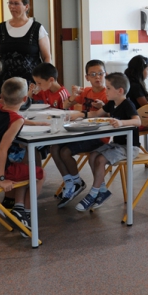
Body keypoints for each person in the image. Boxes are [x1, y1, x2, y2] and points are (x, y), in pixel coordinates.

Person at [0, 77, 45, 234]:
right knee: (39, 173)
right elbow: (2, 150)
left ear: (2, 97)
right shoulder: (16, 119)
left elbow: (17, 119)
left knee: (25, 165)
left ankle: (19, 208)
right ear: (25, 99)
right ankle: (26, 213)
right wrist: (1, 179)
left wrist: (37, 123)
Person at [74, 73, 142, 212]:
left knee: (100, 159)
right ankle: (102, 190)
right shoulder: (112, 103)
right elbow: (96, 114)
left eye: (108, 88)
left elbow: (138, 121)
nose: (106, 90)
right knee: (92, 155)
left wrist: (121, 122)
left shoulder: (127, 104)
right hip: (117, 145)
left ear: (120, 91)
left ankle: (93, 192)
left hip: (129, 147)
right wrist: (77, 116)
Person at [52, 59, 110, 208]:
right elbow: (65, 105)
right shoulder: (86, 91)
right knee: (54, 147)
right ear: (87, 78)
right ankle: (70, 182)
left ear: (105, 74)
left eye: (100, 74)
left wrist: (103, 108)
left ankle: (76, 181)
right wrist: (73, 95)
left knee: (65, 152)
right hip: (81, 132)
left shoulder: (108, 94)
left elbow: (111, 116)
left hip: (98, 136)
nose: (97, 77)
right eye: (93, 74)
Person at [0, 0, 51, 98]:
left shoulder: (37, 28)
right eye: (10, 3)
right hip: (4, 83)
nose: (12, 7)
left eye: (16, 3)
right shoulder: (0, 28)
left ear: (26, 6)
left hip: (30, 84)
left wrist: (43, 81)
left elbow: (47, 57)